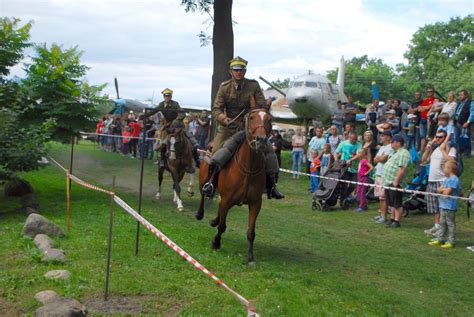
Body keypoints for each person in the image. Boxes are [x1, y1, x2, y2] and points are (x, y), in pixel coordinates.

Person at [201, 56, 284, 199]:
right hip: (229, 127)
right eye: (236, 70)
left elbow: (261, 105)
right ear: (231, 71)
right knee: (215, 152)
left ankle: (272, 187)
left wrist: (264, 105)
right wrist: (224, 119)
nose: (239, 72)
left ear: (245, 71)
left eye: (241, 70)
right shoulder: (224, 87)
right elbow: (216, 109)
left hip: (250, 127)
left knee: (269, 152)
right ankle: (210, 184)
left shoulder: (253, 85)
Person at [421, 130, 456, 236]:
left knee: (443, 206)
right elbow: (424, 160)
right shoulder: (435, 149)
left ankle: (443, 228)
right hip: (431, 180)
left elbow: (452, 162)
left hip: (442, 180)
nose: (437, 139)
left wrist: (443, 150)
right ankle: (437, 226)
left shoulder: (451, 148)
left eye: (440, 137)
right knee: (434, 206)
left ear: (445, 138)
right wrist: (427, 149)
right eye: (436, 137)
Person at [155, 88, 200, 167]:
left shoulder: (175, 104)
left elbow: (182, 113)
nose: (167, 97)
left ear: (171, 96)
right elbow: (154, 111)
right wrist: (145, 116)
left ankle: (197, 160)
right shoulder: (161, 105)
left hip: (179, 126)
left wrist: (175, 120)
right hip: (170, 129)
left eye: (168, 96)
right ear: (164, 97)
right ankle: (162, 161)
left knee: (191, 138)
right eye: (166, 96)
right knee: (164, 143)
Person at [428, 161, 462, 248]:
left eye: (445, 167)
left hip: (449, 206)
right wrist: (442, 190)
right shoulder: (447, 179)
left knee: (450, 224)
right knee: (442, 223)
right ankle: (440, 239)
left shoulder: (454, 179)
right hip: (443, 205)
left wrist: (442, 190)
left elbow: (447, 193)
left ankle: (451, 241)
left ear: (449, 169)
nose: (443, 169)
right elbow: (439, 190)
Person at [382, 134, 410, 228]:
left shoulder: (404, 153)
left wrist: (396, 181)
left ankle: (397, 221)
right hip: (388, 182)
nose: (391, 144)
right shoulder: (395, 152)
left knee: (397, 203)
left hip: (395, 182)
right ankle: (392, 219)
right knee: (392, 203)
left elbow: (402, 168)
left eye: (392, 142)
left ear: (398, 143)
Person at [373, 131, 394, 224]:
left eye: (383, 136)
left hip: (384, 174)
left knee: (384, 197)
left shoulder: (390, 147)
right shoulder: (382, 147)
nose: (381, 137)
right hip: (378, 173)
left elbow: (382, 159)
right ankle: (381, 214)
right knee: (380, 197)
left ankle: (384, 216)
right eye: (381, 135)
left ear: (389, 137)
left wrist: (379, 158)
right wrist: (379, 158)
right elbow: (375, 159)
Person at [335, 131, 361, 203]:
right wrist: (336, 160)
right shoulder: (343, 143)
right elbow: (336, 152)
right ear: (349, 138)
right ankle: (343, 200)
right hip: (344, 167)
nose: (354, 141)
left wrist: (351, 159)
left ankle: (345, 196)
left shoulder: (359, 145)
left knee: (353, 185)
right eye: (353, 139)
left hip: (354, 168)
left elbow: (358, 154)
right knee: (344, 184)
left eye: (355, 139)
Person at [354, 148, 374, 212]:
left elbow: (371, 167)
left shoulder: (364, 161)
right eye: (358, 152)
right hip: (360, 178)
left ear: (363, 153)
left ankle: (362, 207)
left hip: (364, 178)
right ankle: (363, 205)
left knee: (362, 193)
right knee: (359, 192)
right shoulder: (361, 160)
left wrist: (366, 173)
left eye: (359, 152)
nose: (358, 154)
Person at [454, 89, 472, 157]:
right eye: (460, 95)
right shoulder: (459, 102)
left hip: (465, 123)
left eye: (461, 95)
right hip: (457, 122)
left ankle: (467, 153)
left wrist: (468, 122)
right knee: (457, 138)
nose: (460, 96)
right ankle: (459, 151)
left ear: (466, 95)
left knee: (466, 138)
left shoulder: (471, 102)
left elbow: (472, 113)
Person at [417, 88, 436, 153]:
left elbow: (430, 107)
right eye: (428, 91)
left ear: (433, 92)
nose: (429, 93)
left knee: (429, 135)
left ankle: (429, 150)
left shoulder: (435, 100)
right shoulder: (425, 100)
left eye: (431, 91)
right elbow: (419, 109)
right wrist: (427, 107)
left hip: (430, 119)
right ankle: (422, 150)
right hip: (422, 119)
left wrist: (424, 107)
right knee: (422, 135)